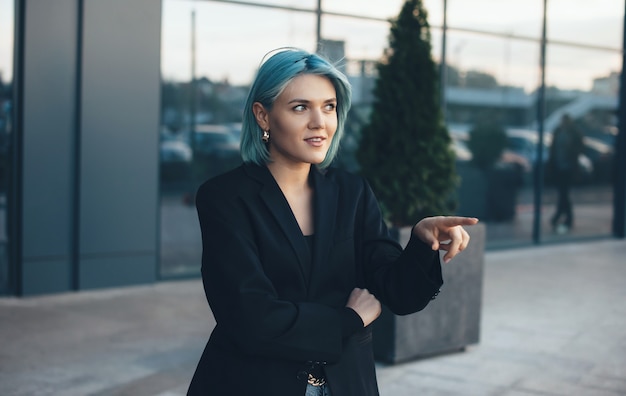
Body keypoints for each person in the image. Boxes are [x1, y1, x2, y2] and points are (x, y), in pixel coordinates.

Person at [187, 48, 479, 396]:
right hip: (252, 384)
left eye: (329, 106)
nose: (319, 122)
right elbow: (250, 317)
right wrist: (349, 320)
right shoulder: (225, 198)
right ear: (263, 116)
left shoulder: (351, 192)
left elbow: (396, 293)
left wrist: (420, 242)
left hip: (347, 384)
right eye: (300, 107)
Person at [548, 114, 584, 234]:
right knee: (562, 194)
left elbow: (578, 149)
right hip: (559, 167)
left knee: (564, 193)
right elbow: (553, 149)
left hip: (568, 168)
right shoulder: (558, 132)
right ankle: (560, 216)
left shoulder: (574, 133)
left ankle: (562, 217)